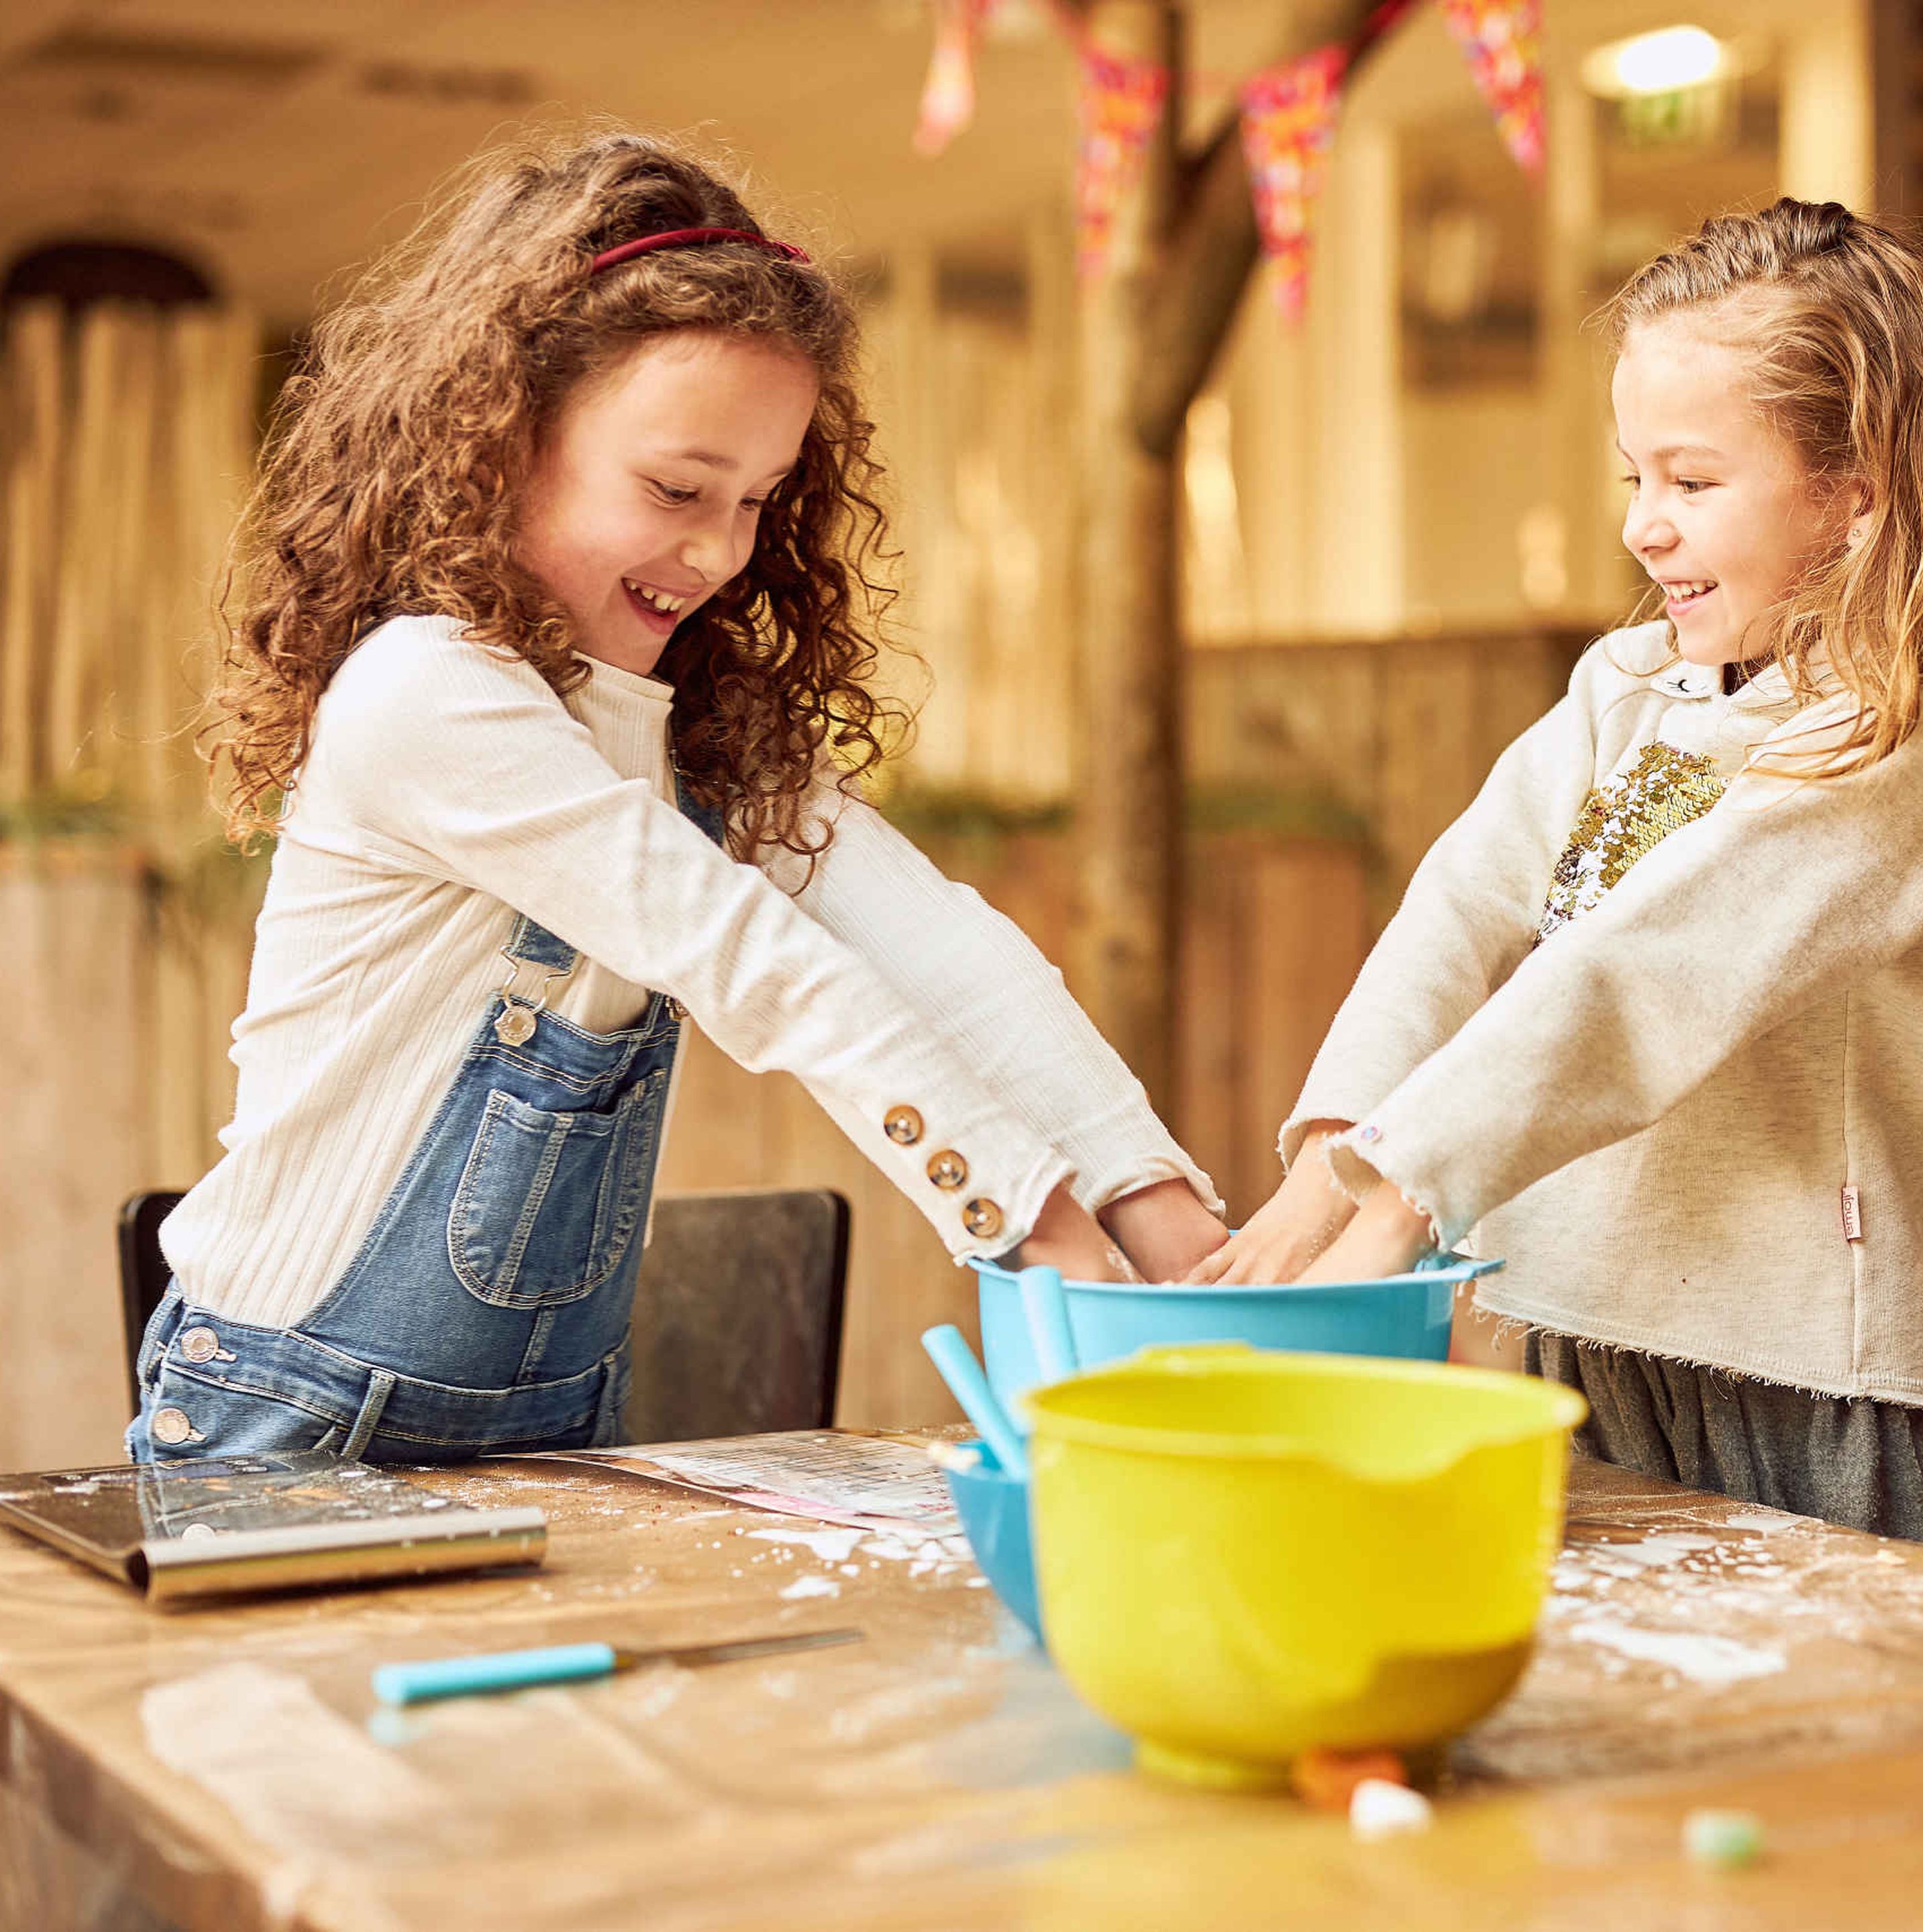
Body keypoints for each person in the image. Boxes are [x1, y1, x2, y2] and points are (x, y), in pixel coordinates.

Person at [132, 131, 1223, 1464]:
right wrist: (1028, 1217)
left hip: (554, 1426)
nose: (718, 550)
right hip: (288, 1416)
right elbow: (750, 957)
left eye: (759, 499)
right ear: (503, 437)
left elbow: (943, 951)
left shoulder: (693, 737)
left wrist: (1155, 1203)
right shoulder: (427, 693)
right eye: (675, 488)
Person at [1194, 199, 1923, 1550]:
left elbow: (1644, 976)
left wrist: (1392, 1205)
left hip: (1803, 1390)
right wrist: (1330, 1154)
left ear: (1857, 491)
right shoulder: (1624, 695)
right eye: (1635, 477)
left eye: (1692, 481)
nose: (1642, 527)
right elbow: (1465, 909)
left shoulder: (1901, 744)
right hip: (1583, 1342)